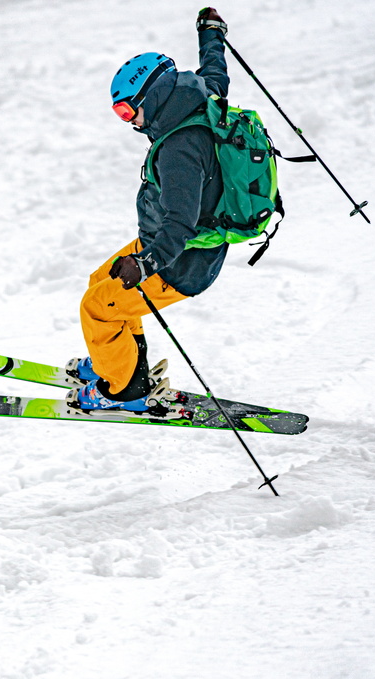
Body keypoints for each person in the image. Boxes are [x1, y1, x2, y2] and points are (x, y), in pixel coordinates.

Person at [68, 7, 230, 413]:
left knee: (98, 307)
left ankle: (124, 392)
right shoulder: (199, 96)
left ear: (152, 97)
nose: (128, 121)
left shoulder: (180, 149)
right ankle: (125, 364)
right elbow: (216, 70)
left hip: (181, 261)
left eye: (126, 111)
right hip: (166, 244)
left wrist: (145, 265)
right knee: (99, 281)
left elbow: (182, 222)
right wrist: (211, 33)